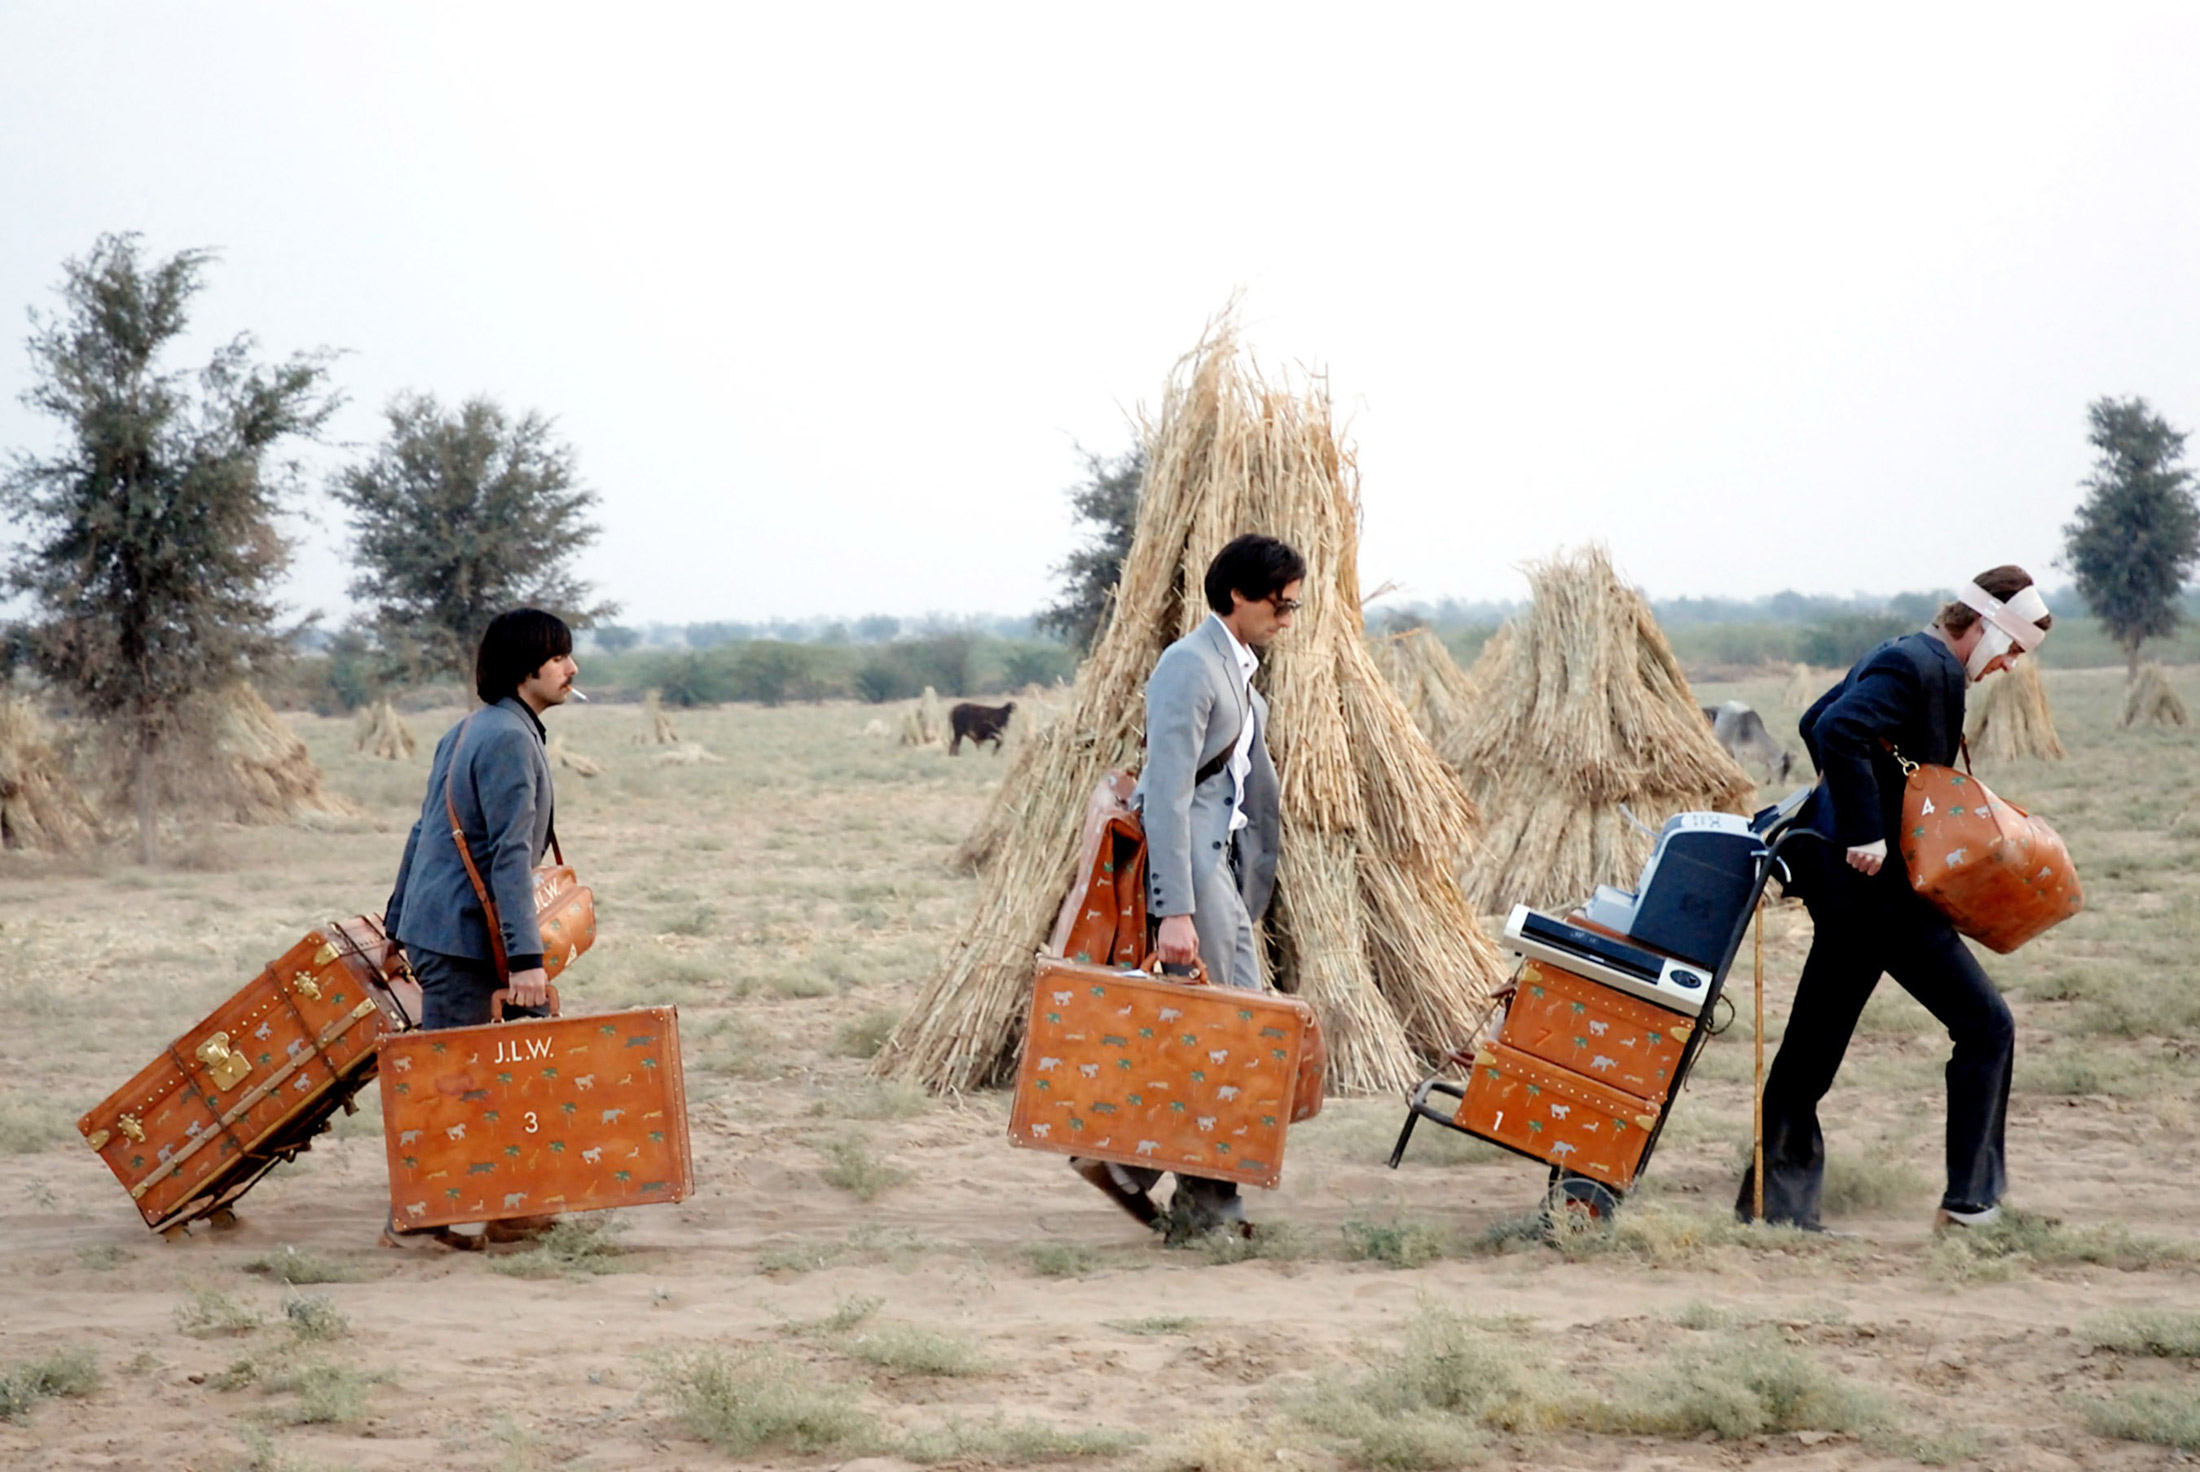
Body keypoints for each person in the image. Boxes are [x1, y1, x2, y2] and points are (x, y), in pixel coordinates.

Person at [1740, 566, 2051, 1233]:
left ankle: (1775, 1206)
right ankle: (1971, 1204)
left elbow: (1813, 717)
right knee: (1986, 1025)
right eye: (2015, 649)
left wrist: (1858, 804)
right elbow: (1838, 731)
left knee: (1814, 1044)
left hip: (1847, 890)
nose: (2011, 666)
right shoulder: (1925, 667)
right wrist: (1864, 830)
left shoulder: (1903, 652)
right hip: (1877, 893)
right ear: (1988, 627)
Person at [1070, 533, 1303, 1239]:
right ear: (1238, 594)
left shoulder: (1238, 668)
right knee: (1233, 1036)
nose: (1289, 616)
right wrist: (1175, 911)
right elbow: (1167, 794)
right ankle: (1200, 1203)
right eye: (1280, 602)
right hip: (1195, 875)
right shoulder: (1189, 665)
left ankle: (1136, 1170)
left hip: (1222, 868)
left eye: (1295, 604)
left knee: (1224, 1035)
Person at [381, 608, 578, 1247]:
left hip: (438, 927)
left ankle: (484, 1209)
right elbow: (508, 854)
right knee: (461, 1077)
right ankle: (430, 1215)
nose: (571, 669)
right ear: (527, 670)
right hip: (464, 937)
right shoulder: (510, 739)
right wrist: (527, 959)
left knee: (476, 1069)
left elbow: (422, 832)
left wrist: (395, 921)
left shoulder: (470, 729)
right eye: (558, 659)